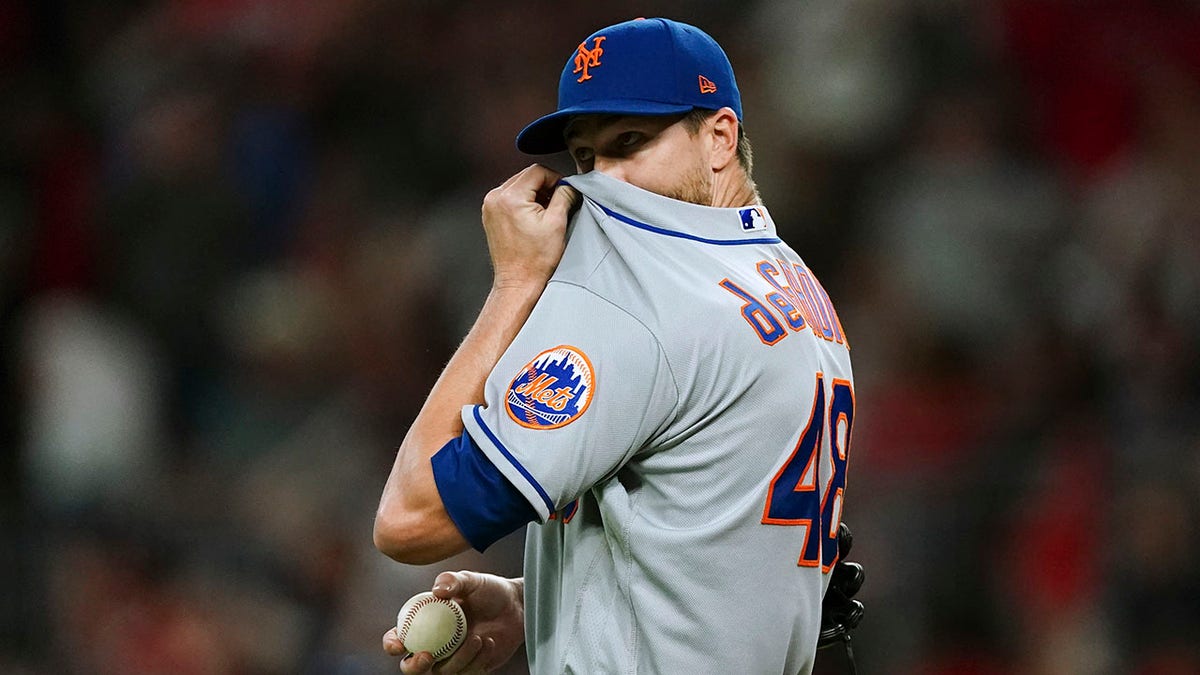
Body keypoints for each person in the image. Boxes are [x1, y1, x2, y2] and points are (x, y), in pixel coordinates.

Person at [374, 17, 861, 674]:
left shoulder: (640, 297)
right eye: (585, 158)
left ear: (719, 137)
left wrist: (514, 284)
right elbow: (699, 532)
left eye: (630, 142)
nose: (602, 181)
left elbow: (409, 519)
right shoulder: (795, 286)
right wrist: (535, 600)